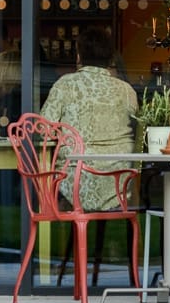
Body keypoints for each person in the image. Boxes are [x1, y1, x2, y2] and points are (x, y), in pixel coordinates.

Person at [43, 27, 138, 210]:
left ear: (79, 56)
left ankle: (69, 216)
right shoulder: (126, 90)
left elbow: (44, 128)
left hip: (76, 179)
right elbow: (137, 126)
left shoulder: (64, 85)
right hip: (119, 180)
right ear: (111, 58)